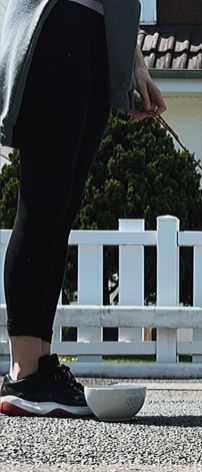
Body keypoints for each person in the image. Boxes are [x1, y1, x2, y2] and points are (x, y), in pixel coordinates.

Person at [0, 0, 166, 417]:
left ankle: (38, 366)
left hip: (94, 31)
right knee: (44, 198)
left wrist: (134, 66)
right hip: (57, 22)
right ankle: (24, 372)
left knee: (60, 208)